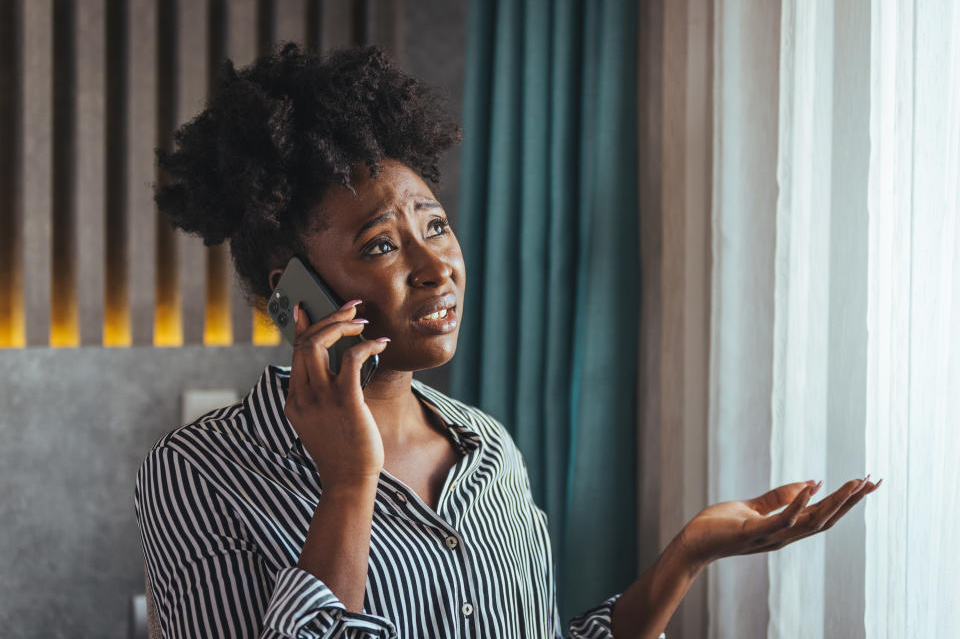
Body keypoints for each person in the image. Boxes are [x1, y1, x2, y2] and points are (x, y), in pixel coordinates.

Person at [135, 43, 881, 639]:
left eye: (434, 225)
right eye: (380, 246)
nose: (438, 267)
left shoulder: (486, 450)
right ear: (293, 286)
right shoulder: (200, 476)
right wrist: (349, 484)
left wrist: (684, 559)